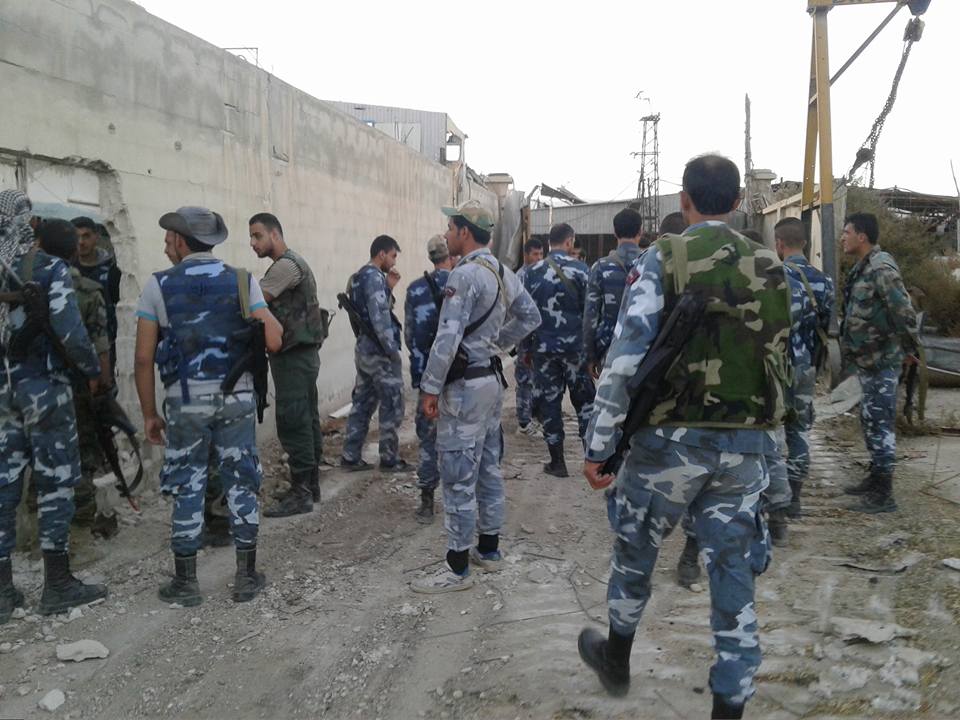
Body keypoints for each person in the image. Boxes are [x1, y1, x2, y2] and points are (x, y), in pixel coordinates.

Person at [577, 155, 791, 720]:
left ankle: (616, 659)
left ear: (683, 200)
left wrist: (600, 446)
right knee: (734, 577)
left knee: (635, 551)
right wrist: (776, 462)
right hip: (746, 449)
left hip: (669, 445)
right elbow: (781, 366)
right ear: (738, 202)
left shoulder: (665, 256)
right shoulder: (771, 264)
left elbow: (625, 359)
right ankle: (729, 707)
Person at [134, 206, 282, 606]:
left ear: (183, 242)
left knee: (188, 483)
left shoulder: (158, 285)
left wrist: (149, 414)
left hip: (185, 402)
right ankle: (246, 578)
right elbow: (273, 339)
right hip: (236, 399)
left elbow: (144, 359)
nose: (167, 247)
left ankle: (186, 584)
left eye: (170, 240)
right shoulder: (242, 281)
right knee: (241, 480)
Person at [411, 200, 540, 594]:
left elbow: (447, 337)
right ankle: (489, 549)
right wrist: (494, 346)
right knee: (486, 467)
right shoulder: (502, 271)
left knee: (457, 476)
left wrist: (429, 387)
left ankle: (456, 569)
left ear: (464, 232)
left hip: (464, 389)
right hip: (490, 381)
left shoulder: (464, 275)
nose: (447, 234)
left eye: (451, 228)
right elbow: (531, 316)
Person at [0, 190, 107, 622]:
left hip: (3, 391)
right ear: (26, 221)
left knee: (4, 484)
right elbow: (70, 331)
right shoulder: (47, 267)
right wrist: (91, 370)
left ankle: (3, 593)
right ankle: (58, 584)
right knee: (55, 480)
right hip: (44, 387)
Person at [37, 220, 117, 538]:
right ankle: (81, 524)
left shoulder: (21, 284)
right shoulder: (86, 290)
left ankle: (35, 524)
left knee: (36, 455)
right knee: (84, 451)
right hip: (77, 385)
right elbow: (99, 344)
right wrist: (101, 381)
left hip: (31, 388)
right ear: (73, 251)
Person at [249, 213, 330, 518]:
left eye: (257, 235)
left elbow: (254, 301)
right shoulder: (292, 264)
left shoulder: (286, 266)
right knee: (306, 418)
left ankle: (302, 493)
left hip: (294, 357)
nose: (253, 243)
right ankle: (310, 486)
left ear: (275, 234)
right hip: (301, 355)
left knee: (293, 420)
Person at [839, 212, 917, 513]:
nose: (843, 237)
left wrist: (910, 348)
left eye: (847, 232)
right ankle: (875, 478)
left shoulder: (881, 268)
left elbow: (903, 310)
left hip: (883, 358)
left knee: (881, 423)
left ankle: (884, 495)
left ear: (862, 236)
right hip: (869, 359)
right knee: (870, 420)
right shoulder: (864, 266)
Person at [523, 223, 595, 477]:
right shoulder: (582, 271)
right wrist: (594, 353)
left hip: (544, 351)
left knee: (550, 404)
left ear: (548, 243)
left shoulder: (532, 273)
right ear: (570, 241)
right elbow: (591, 314)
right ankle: (591, 460)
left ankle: (557, 462)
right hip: (576, 350)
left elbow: (526, 315)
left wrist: (526, 350)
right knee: (585, 404)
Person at [775, 217, 833, 517]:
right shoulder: (824, 282)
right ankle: (794, 498)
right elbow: (827, 325)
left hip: (778, 367)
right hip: (806, 365)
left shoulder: (775, 277)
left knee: (772, 429)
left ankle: (773, 497)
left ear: (779, 244)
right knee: (799, 430)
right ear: (805, 243)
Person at [340, 235, 409, 472]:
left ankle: (350, 456)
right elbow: (379, 318)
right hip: (380, 353)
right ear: (382, 254)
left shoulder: (360, 277)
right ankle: (389, 459)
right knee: (392, 403)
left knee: (362, 403)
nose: (394, 261)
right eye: (393, 256)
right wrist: (392, 351)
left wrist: (389, 287)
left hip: (365, 350)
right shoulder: (373, 277)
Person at [404, 235, 456, 522]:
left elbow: (409, 335)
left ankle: (426, 502)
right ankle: (462, 500)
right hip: (459, 374)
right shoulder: (462, 282)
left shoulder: (414, 289)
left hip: (427, 378)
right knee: (462, 437)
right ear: (450, 255)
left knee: (428, 438)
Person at [583, 208, 645, 379]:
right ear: (640, 231)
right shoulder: (651, 264)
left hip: (609, 350)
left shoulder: (600, 267)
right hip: (644, 350)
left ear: (614, 232)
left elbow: (590, 317)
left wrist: (590, 356)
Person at [72, 216, 122, 375]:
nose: (81, 242)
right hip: (76, 347)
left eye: (86, 236)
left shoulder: (113, 271)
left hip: (107, 346)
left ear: (96, 237)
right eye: (76, 237)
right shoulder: (66, 271)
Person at [514, 239, 543, 436]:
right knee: (525, 379)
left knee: (536, 379)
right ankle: (524, 422)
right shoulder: (521, 277)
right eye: (535, 254)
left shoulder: (540, 274)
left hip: (539, 336)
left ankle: (533, 416)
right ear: (525, 255)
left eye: (541, 254)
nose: (538, 258)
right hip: (525, 337)